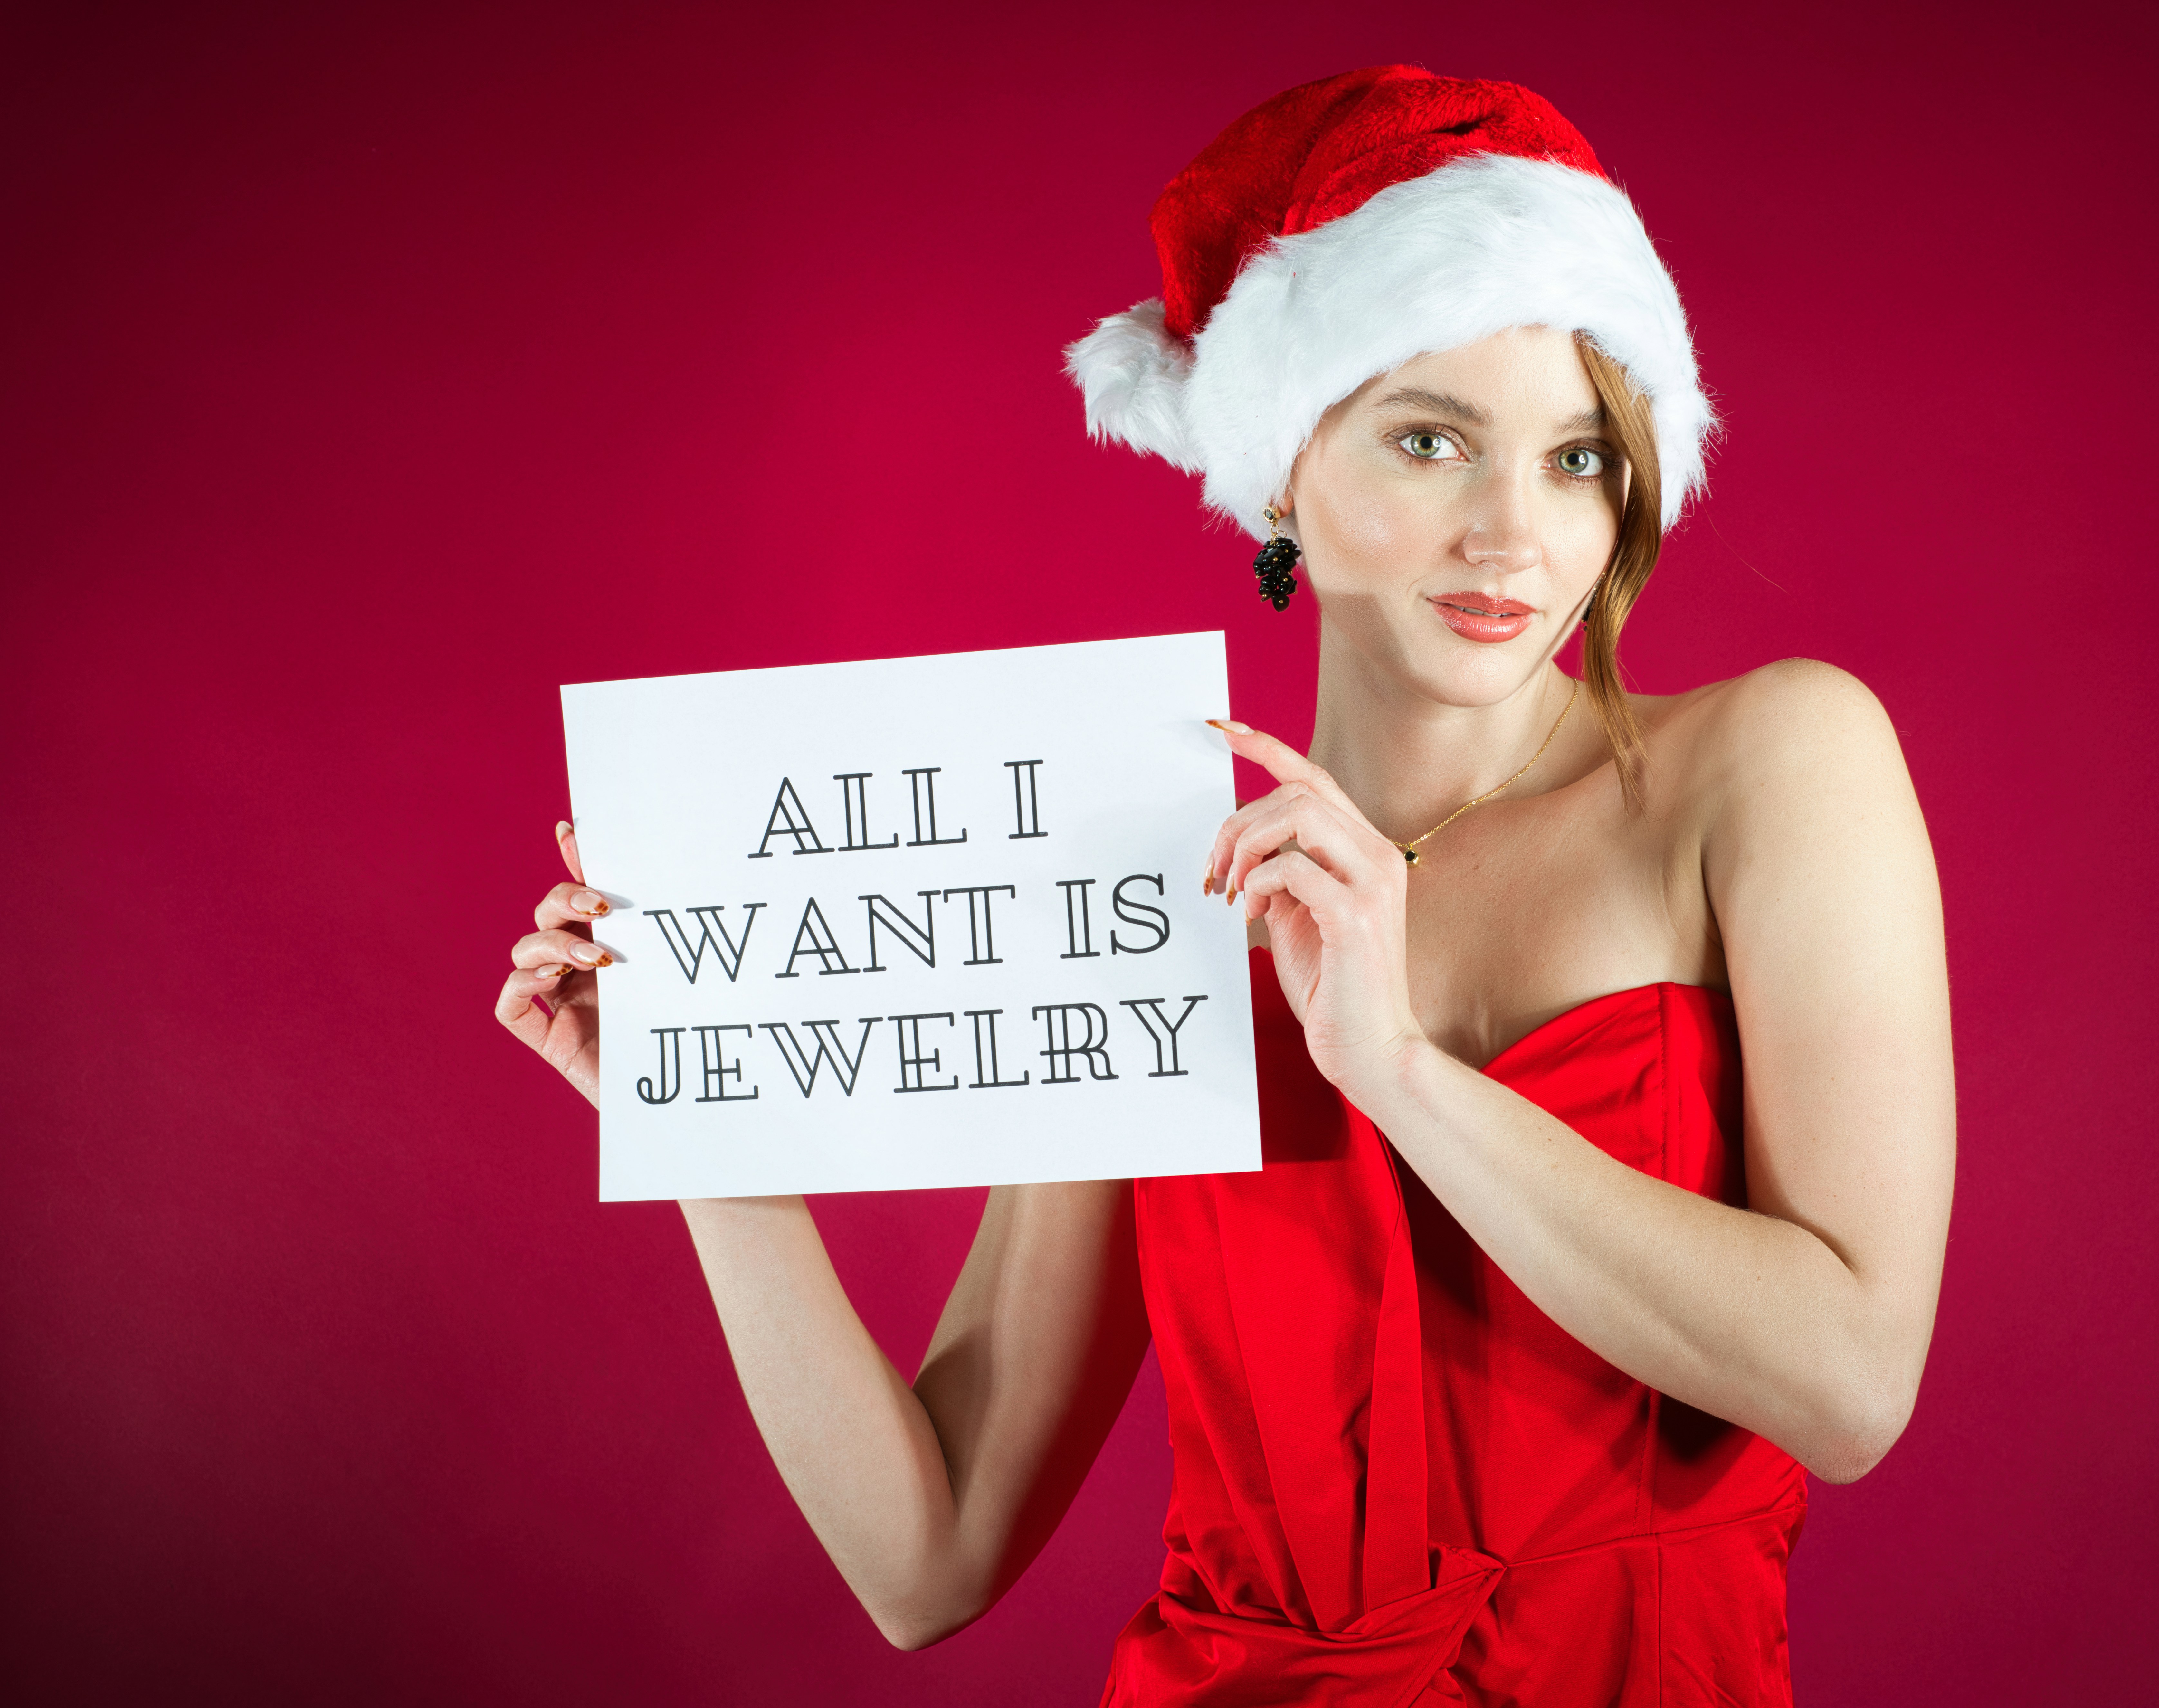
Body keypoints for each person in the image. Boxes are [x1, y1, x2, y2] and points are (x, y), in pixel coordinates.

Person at [496, 65, 1953, 1707]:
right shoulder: (1143, 890)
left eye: (1574, 461)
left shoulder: (1768, 764)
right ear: (1279, 469)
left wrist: (1390, 1070)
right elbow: (926, 1558)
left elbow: (1846, 1384)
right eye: (1430, 440)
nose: (1512, 536)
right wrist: (708, 1118)